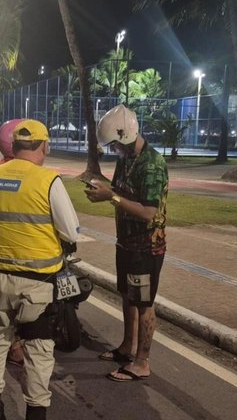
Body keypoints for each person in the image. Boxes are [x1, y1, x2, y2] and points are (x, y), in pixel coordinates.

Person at [0, 119, 80, 420]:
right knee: (38, 351)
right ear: (44, 145)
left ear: (15, 146)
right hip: (38, 285)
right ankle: (35, 414)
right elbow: (72, 233)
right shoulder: (48, 180)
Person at [84, 104, 168, 382]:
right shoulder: (127, 159)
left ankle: (142, 361)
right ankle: (127, 347)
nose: (114, 151)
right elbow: (122, 190)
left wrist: (112, 198)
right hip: (126, 242)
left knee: (144, 302)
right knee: (127, 295)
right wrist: (104, 189)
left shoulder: (152, 164)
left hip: (146, 245)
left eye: (116, 145)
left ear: (127, 136)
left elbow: (148, 212)